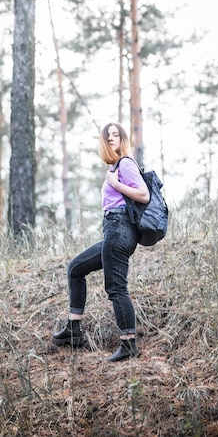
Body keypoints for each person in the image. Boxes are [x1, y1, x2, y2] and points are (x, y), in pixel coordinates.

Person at [52, 122, 150, 362]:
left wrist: (116, 184)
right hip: (113, 231)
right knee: (76, 268)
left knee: (116, 287)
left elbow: (143, 194)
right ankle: (73, 330)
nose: (111, 139)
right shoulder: (117, 165)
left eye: (116, 135)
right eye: (107, 137)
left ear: (123, 139)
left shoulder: (125, 163)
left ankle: (128, 344)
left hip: (119, 229)